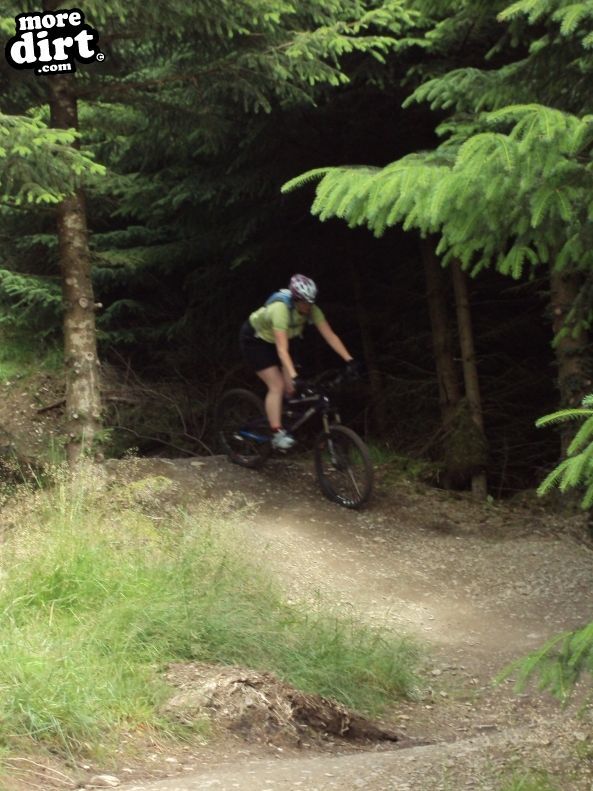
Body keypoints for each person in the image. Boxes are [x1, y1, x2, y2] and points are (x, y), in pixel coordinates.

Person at [240, 274, 358, 450]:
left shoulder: (313, 310)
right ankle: (276, 432)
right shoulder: (280, 310)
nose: (308, 306)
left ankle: (282, 416)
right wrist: (294, 376)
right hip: (256, 341)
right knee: (277, 385)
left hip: (280, 341)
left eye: (311, 302)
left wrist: (349, 360)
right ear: (295, 299)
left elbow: (330, 336)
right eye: (305, 302)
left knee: (291, 389)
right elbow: (282, 350)